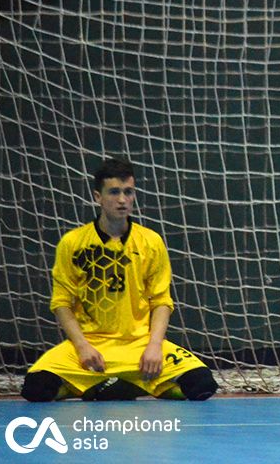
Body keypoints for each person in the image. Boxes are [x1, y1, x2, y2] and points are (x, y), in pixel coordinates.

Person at [21, 157, 218, 402]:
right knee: (35, 388)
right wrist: (82, 347)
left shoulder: (151, 242)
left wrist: (155, 346)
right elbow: (61, 304)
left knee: (202, 384)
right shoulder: (72, 243)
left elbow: (161, 302)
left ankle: (117, 386)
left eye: (128, 192)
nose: (123, 200)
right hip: (91, 347)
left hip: (139, 346)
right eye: (114, 192)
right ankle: (102, 387)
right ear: (97, 197)